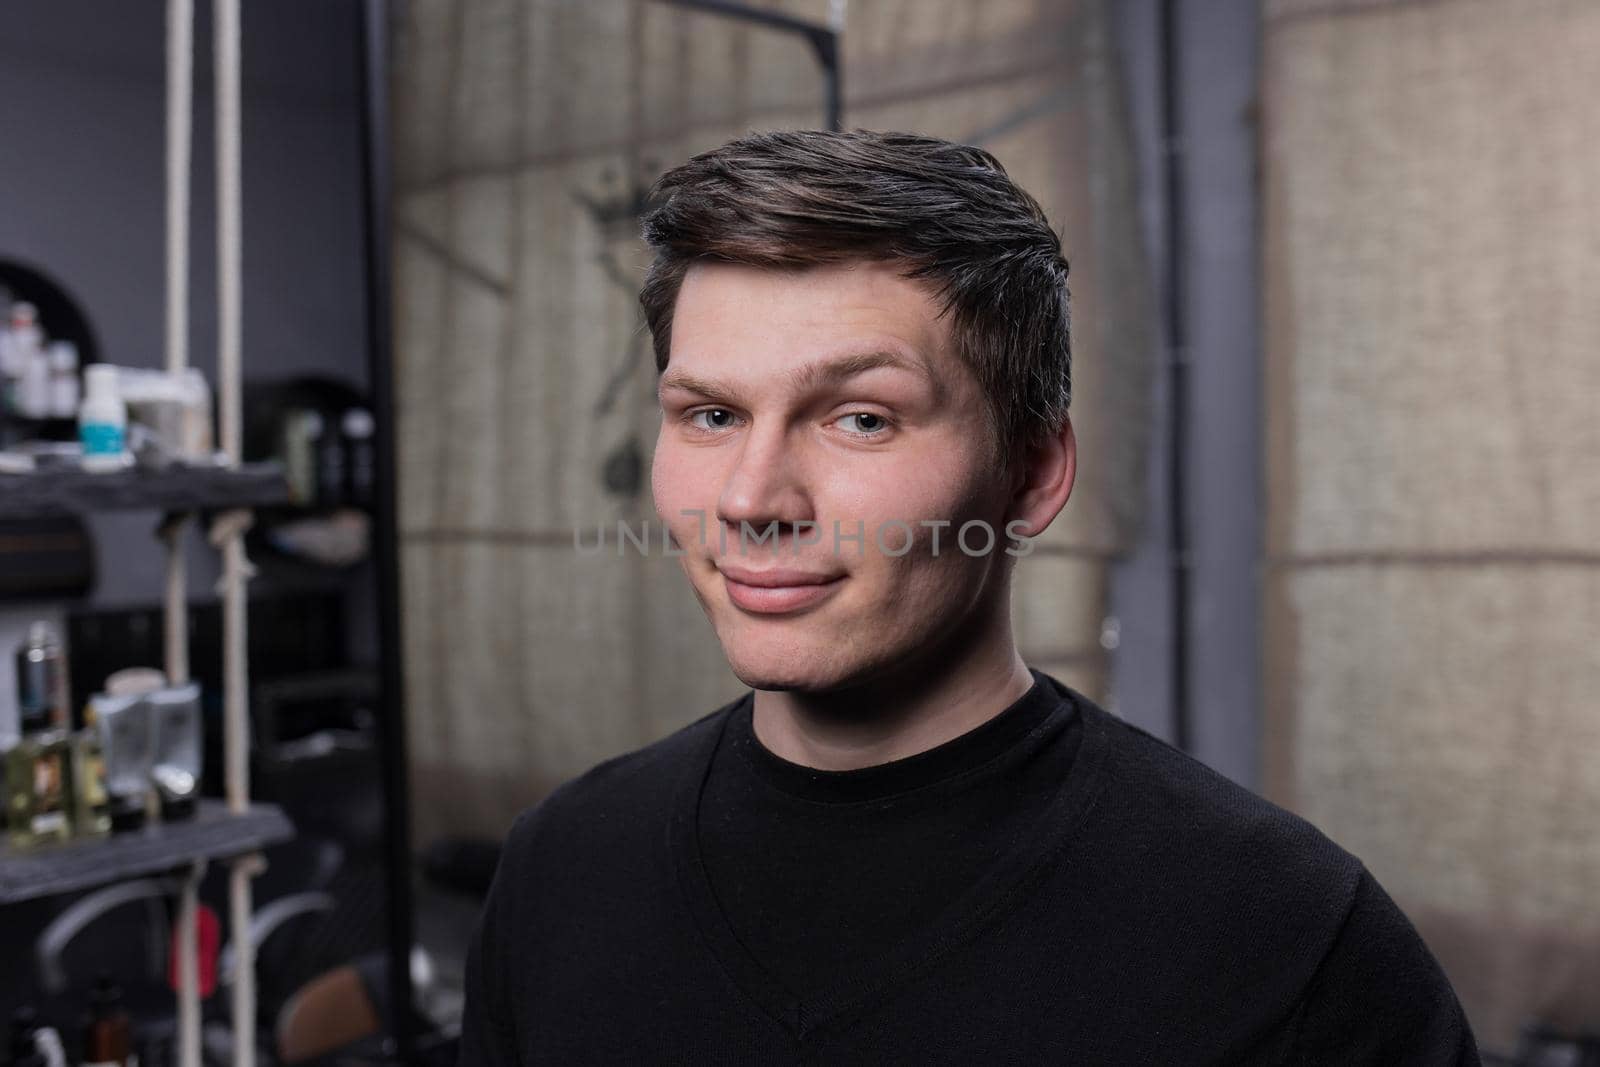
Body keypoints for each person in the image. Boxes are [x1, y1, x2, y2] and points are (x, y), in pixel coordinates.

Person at [457, 128, 1479, 1065]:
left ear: (1031, 473)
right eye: (712, 413)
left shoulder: (1286, 937)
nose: (749, 499)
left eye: (860, 418)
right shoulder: (560, 867)